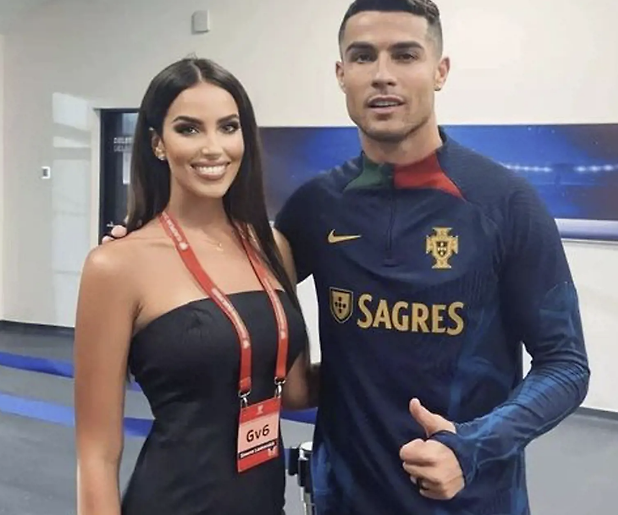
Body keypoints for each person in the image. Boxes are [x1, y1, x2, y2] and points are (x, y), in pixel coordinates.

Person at [105, 0, 591, 513]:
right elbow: (230, 271)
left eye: (405, 55)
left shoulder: (505, 204)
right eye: (363, 57)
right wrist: (145, 250)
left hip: (470, 499)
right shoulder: (317, 207)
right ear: (341, 75)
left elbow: (566, 365)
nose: (382, 75)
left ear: (440, 71)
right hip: (345, 498)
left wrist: (472, 445)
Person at [74, 57, 313, 515]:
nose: (212, 148)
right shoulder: (116, 265)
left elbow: (296, 390)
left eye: (228, 127)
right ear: (157, 144)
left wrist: (384, 356)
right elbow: (97, 455)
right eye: (189, 129)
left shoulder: (272, 247)